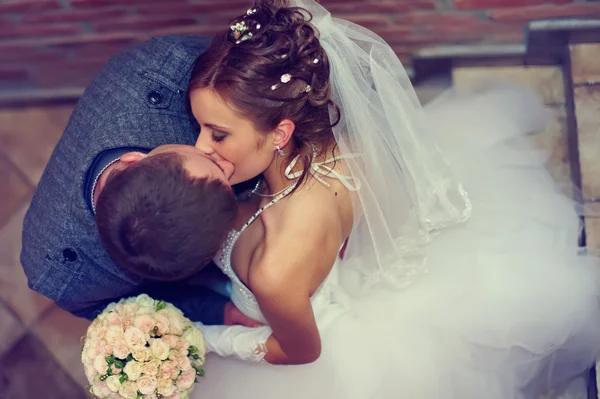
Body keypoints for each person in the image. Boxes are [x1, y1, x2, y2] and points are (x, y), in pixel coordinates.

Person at [170, 0, 600, 398]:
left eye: (218, 133)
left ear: (281, 132)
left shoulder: (275, 269)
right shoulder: (343, 143)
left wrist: (206, 337)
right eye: (202, 127)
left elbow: (300, 352)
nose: (201, 145)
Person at [20, 35, 258, 327]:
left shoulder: (170, 67)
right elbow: (118, 309)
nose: (225, 164)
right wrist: (214, 311)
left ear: (134, 159)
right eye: (211, 163)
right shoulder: (61, 276)